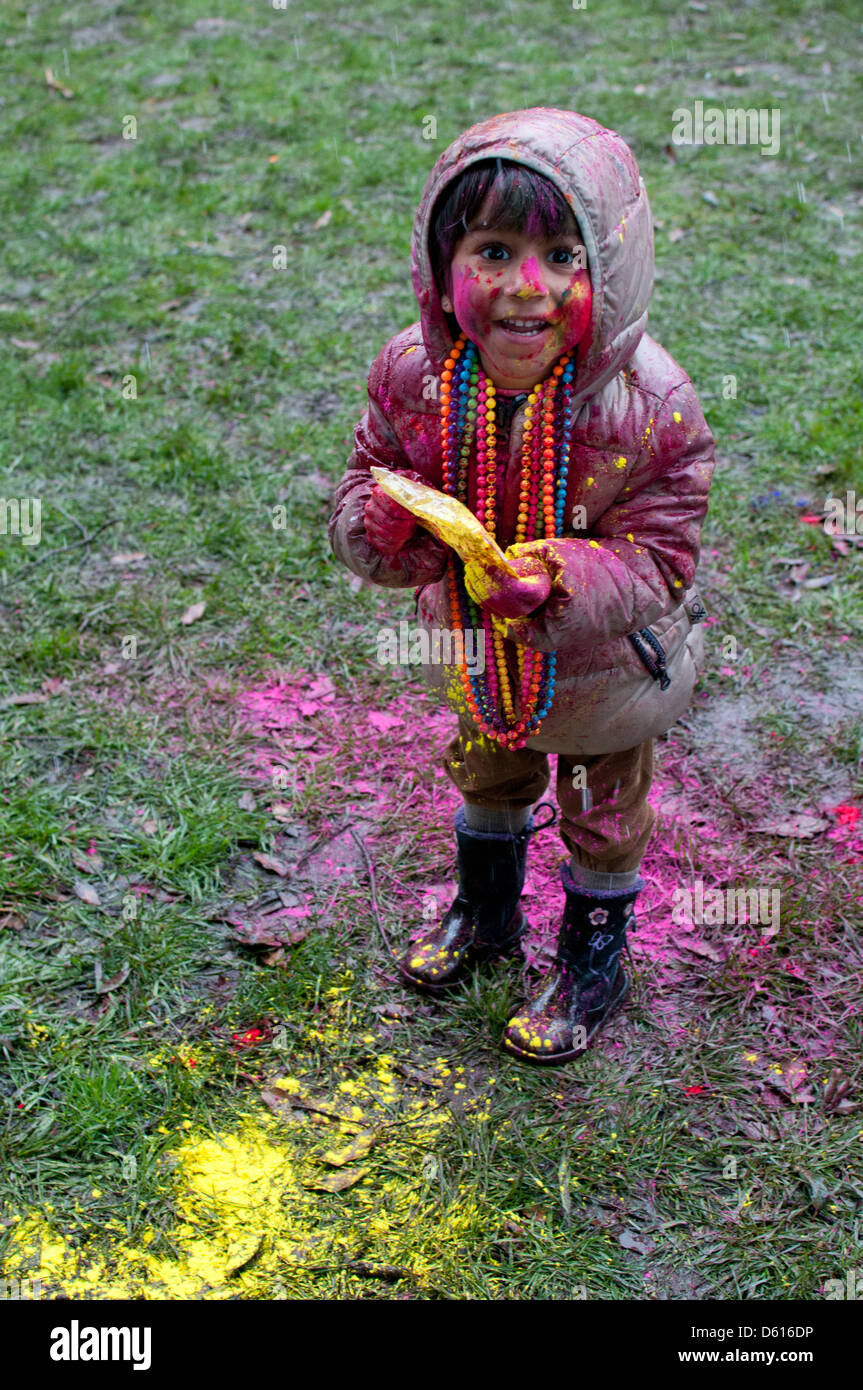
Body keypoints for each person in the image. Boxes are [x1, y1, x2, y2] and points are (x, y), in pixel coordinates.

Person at [327, 108, 715, 1063]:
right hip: (474, 651)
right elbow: (366, 481)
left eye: (563, 256)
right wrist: (380, 531)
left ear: (611, 271)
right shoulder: (413, 375)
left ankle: (592, 958)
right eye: (492, 251)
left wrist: (562, 583)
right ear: (441, 265)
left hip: (602, 672)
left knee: (599, 808)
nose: (525, 288)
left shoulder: (651, 406)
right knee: (487, 770)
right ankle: (486, 911)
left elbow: (661, 557)